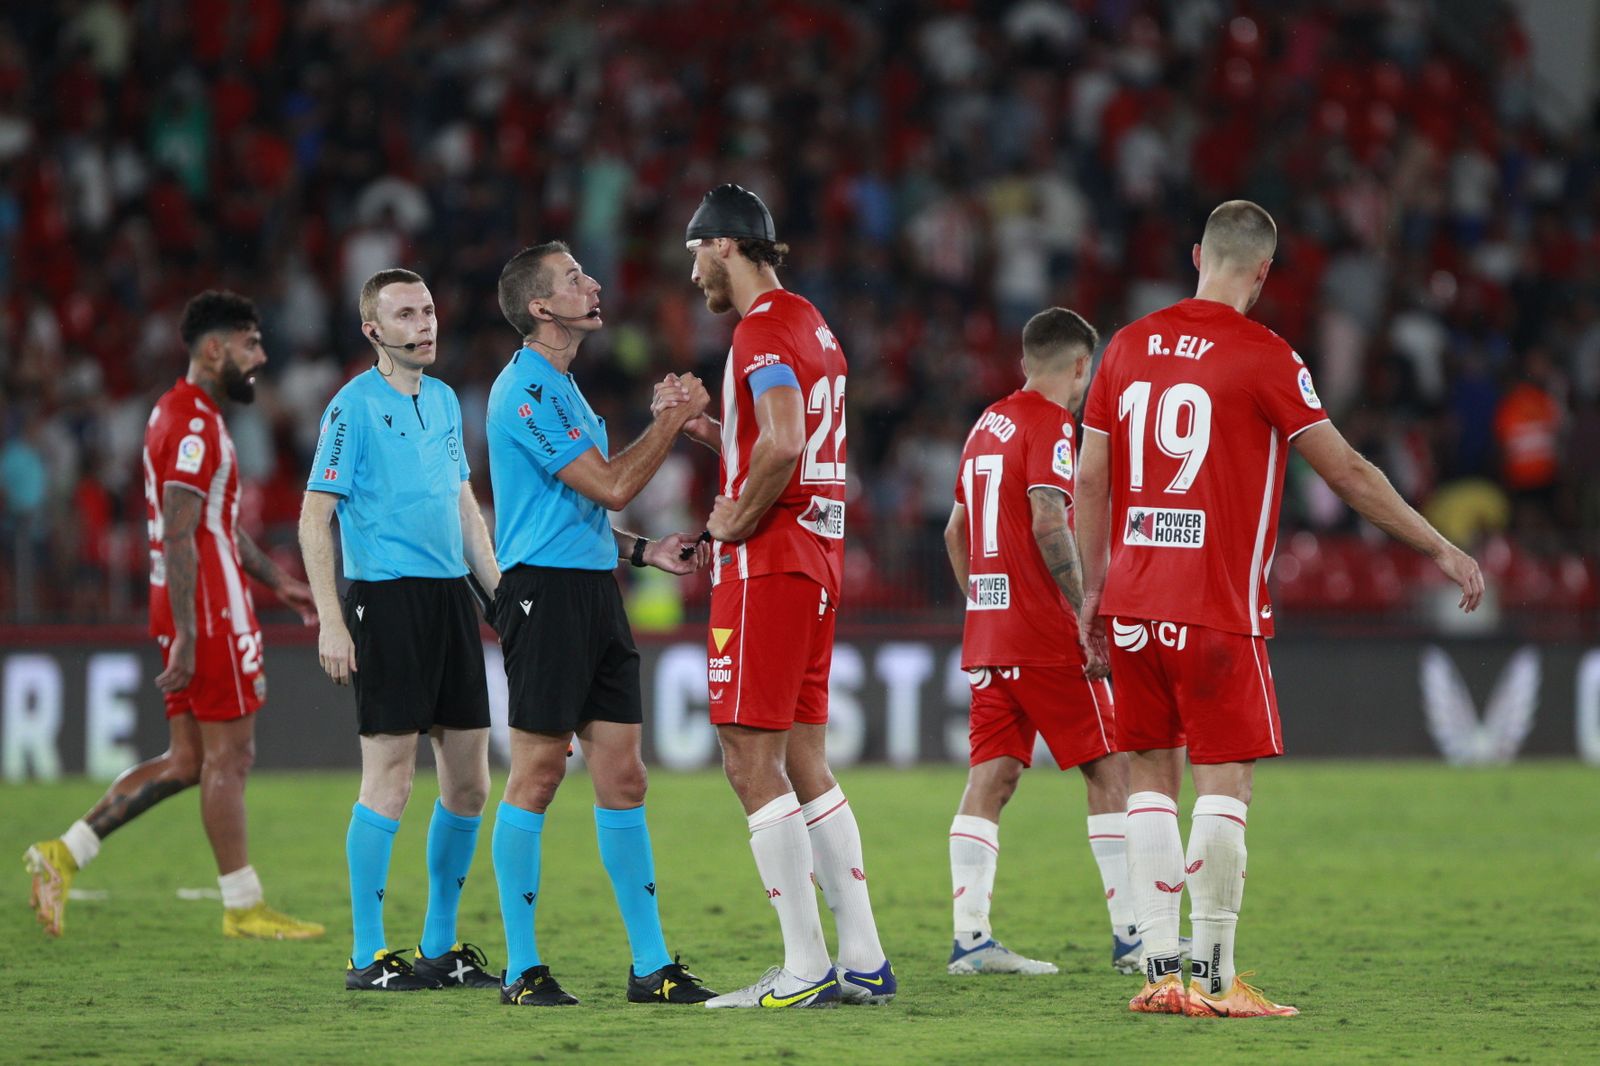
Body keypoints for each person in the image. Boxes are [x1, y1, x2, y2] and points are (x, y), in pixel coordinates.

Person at [1075, 200, 1484, 1018]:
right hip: (1216, 608)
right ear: (1262, 273)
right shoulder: (1265, 354)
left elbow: (1089, 478)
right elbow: (1348, 472)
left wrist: (1091, 589)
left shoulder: (1125, 345)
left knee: (1150, 777)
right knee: (1225, 785)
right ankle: (1216, 980)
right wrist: (1439, 546)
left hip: (1132, 601)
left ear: (1198, 255)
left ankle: (1159, 968)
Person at [23, 290, 324, 942]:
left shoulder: (179, 412)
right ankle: (242, 905)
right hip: (208, 607)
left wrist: (280, 582)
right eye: (250, 345)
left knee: (188, 760)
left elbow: (213, 522)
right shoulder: (192, 425)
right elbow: (183, 531)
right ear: (214, 350)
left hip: (190, 601)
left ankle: (64, 853)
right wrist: (190, 630)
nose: (261, 358)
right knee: (231, 757)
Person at [665, 183, 894, 1008]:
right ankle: (862, 958)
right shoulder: (811, 323)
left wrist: (732, 519)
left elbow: (786, 440)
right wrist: (708, 432)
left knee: (746, 756)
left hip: (768, 564)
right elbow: (782, 436)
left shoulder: (759, 329)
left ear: (724, 245)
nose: (694, 272)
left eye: (696, 253)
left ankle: (803, 968)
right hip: (815, 559)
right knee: (803, 757)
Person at [486, 240, 718, 1008]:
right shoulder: (524, 390)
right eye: (573, 278)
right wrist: (672, 420)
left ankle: (650, 968)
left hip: (592, 591)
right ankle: (521, 971)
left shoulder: (565, 388)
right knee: (537, 774)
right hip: (543, 596)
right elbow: (613, 485)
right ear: (540, 307)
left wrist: (644, 551)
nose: (592, 284)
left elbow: (577, 510)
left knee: (624, 776)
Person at [298, 269, 502, 992]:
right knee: (390, 781)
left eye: (429, 310)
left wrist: (500, 598)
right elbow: (314, 518)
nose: (424, 324)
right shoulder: (351, 408)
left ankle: (438, 948)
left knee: (470, 785)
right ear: (373, 331)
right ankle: (367, 955)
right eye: (407, 315)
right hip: (384, 603)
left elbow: (463, 505)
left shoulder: (443, 400)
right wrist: (331, 619)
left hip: (451, 602)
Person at [943, 307, 1150, 976]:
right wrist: (1085, 607)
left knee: (992, 777)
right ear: (1082, 366)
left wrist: (984, 602)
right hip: (1044, 636)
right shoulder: (1052, 425)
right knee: (1111, 767)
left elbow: (955, 532)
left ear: (1025, 361)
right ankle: (1134, 936)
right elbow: (1047, 520)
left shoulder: (986, 423)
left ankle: (971, 939)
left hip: (990, 636)